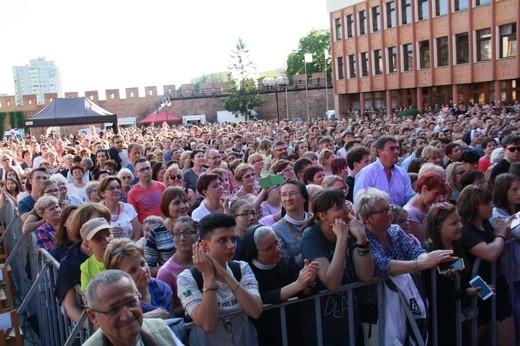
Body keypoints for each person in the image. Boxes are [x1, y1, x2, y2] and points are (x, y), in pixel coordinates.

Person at [355, 187, 454, 345]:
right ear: (366, 218)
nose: (389, 214)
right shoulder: (362, 239)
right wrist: (421, 263)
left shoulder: (395, 231)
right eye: (382, 211)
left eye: (389, 209)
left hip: (407, 304)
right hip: (378, 312)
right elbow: (381, 265)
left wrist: (434, 259)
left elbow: (415, 252)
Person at [300, 188, 374, 345]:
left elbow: (366, 275)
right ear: (322, 215)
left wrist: (361, 238)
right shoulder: (311, 236)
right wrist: (341, 238)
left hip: (348, 319)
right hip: (321, 324)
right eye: (338, 207)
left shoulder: (351, 231)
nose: (346, 210)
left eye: (344, 204)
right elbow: (332, 283)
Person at [177, 213, 262, 345]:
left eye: (233, 239)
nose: (231, 246)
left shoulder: (241, 268)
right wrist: (208, 276)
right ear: (205, 246)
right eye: (222, 240)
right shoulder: (187, 278)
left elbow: (255, 311)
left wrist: (225, 275)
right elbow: (207, 324)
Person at [238, 224, 319, 345]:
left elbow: (304, 292)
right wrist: (297, 285)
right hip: (263, 333)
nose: (277, 249)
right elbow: (262, 298)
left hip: (292, 329)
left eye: (277, 242)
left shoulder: (287, 263)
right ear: (255, 251)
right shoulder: (246, 271)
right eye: (269, 248)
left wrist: (309, 282)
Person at [457, 185, 516, 345]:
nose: (491, 206)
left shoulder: (487, 224)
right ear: (473, 205)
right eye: (486, 203)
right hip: (477, 290)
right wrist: (500, 235)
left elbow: (499, 252)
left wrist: (505, 233)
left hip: (497, 287)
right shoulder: (465, 230)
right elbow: (490, 253)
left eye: (491, 202)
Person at [422, 203, 481, 346]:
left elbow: (464, 276)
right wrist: (466, 293)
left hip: (460, 319)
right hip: (440, 323)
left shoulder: (458, 246)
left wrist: (479, 287)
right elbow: (435, 295)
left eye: (459, 221)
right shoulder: (428, 253)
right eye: (454, 223)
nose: (460, 226)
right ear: (438, 227)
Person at [84, 269, 182, 346]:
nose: (126, 316)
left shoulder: (161, 331)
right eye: (113, 310)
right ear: (93, 316)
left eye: (131, 302)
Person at [54, 204, 111, 324]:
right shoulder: (70, 262)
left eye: (104, 220)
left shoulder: (118, 249)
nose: (101, 223)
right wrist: (96, 328)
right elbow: (71, 307)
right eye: (95, 220)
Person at [104, 238, 174, 318]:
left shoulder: (162, 289)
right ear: (118, 277)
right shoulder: (114, 303)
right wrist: (145, 318)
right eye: (133, 270)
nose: (143, 271)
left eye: (143, 263)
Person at [491, 173, 520, 341]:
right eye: (514, 190)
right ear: (503, 191)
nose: (519, 193)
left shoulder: (514, 211)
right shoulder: (497, 214)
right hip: (509, 277)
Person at [354, 136, 415, 206]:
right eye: (391, 149)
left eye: (397, 148)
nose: (396, 151)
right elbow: (360, 203)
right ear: (380, 152)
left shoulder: (402, 172)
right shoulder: (366, 173)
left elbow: (410, 197)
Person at [157, 216, 197, 316]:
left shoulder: (206, 259)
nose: (182, 238)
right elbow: (166, 312)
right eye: (177, 234)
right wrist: (194, 305)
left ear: (197, 235)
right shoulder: (166, 272)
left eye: (187, 233)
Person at [145, 187, 190, 276]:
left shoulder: (196, 227)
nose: (183, 206)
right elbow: (149, 269)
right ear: (166, 206)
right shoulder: (156, 234)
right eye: (176, 203)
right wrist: (173, 268)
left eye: (185, 201)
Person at [271, 179, 310, 265]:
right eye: (284, 195)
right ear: (280, 200)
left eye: (293, 194)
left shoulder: (317, 220)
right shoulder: (276, 230)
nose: (288, 199)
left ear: (304, 197)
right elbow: (286, 265)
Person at [404, 171, 449, 242]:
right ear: (424, 189)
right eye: (436, 194)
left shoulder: (430, 205)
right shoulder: (410, 213)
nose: (437, 200)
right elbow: (426, 241)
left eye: (439, 195)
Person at [99, 176, 141, 240]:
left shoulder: (129, 208)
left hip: (129, 247)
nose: (116, 190)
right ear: (102, 193)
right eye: (111, 188)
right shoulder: (97, 211)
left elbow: (137, 234)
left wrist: (130, 248)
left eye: (118, 188)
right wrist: (108, 233)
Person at [128, 158, 167, 224]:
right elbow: (134, 218)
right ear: (136, 174)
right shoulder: (132, 193)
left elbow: (168, 208)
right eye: (142, 170)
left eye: (148, 168)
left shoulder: (161, 186)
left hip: (163, 225)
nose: (146, 171)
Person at [80, 217, 114, 291]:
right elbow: (86, 296)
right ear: (87, 245)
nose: (106, 240)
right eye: (98, 238)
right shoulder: (86, 267)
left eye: (108, 234)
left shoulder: (125, 255)